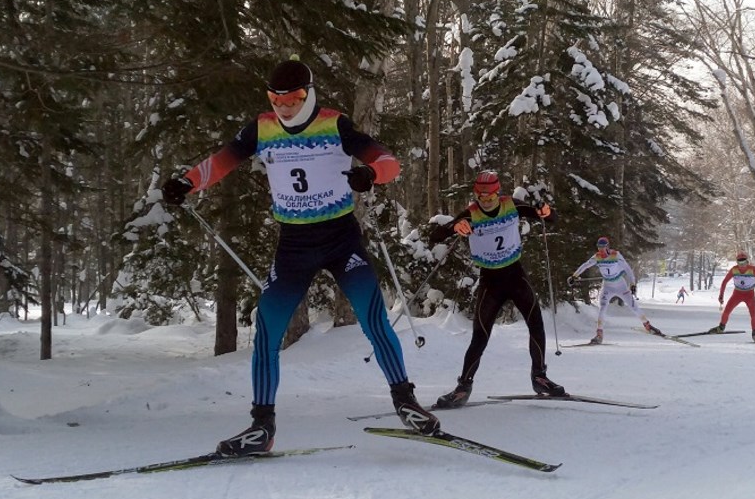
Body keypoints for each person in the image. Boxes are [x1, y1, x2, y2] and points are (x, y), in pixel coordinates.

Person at [160, 57, 439, 455]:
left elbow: (387, 160)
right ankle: (262, 426)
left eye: (292, 98)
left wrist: (371, 175)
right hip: (294, 244)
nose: (284, 106)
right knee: (268, 329)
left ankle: (405, 401)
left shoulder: (334, 124)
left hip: (341, 238)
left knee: (373, 318)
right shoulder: (262, 128)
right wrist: (187, 182)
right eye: (276, 98)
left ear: (308, 94)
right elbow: (223, 159)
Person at [427, 170, 564, 408]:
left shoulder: (511, 205)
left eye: (490, 194)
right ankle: (463, 387)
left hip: (515, 274)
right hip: (491, 281)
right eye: (481, 195)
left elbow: (549, 218)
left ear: (497, 192)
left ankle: (539, 377)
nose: (486, 199)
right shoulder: (470, 214)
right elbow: (436, 235)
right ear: (476, 194)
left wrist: (546, 212)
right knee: (480, 336)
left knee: (536, 324)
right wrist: (454, 228)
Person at [567, 237, 662, 344]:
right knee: (602, 308)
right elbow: (585, 265)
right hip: (607, 286)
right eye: (599, 247)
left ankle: (648, 326)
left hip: (620, 285)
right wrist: (574, 276)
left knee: (633, 306)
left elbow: (627, 269)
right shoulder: (597, 257)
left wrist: (632, 284)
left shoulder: (615, 255)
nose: (601, 250)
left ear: (608, 247)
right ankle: (599, 335)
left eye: (603, 247)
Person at [708, 251, 755, 343]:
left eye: (744, 262)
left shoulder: (753, 269)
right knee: (727, 311)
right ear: (737, 262)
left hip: (749, 295)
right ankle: (721, 327)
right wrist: (721, 296)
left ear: (747, 261)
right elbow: (724, 282)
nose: (742, 265)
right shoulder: (734, 270)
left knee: (753, 314)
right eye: (740, 262)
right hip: (737, 294)